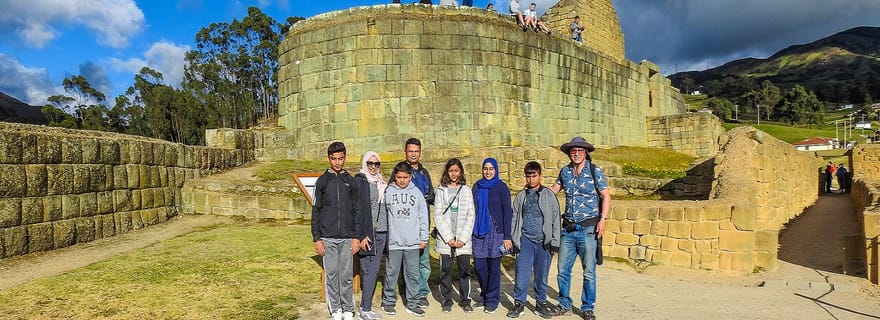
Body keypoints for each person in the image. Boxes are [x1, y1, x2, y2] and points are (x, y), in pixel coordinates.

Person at [549, 137, 611, 320]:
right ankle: (564, 304)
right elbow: (553, 191)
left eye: (580, 151)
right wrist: (535, 192)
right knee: (562, 271)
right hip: (568, 229)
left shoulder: (594, 171)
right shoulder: (565, 172)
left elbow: (606, 196)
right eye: (573, 150)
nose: (576, 153)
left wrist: (603, 220)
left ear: (586, 153)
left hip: (588, 228)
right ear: (569, 153)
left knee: (589, 271)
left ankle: (587, 307)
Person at [312, 142, 368, 320]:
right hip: (327, 237)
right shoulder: (322, 181)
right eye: (334, 159)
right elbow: (316, 210)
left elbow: (357, 211)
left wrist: (356, 237)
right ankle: (335, 309)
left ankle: (348, 309)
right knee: (332, 274)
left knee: (346, 276)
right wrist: (317, 238)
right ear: (329, 158)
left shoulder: (350, 181)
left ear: (345, 158)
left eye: (340, 158)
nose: (337, 162)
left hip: (347, 237)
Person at [506, 161, 560, 319]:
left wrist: (555, 242)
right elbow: (515, 218)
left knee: (541, 275)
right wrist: (515, 241)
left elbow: (556, 219)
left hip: (544, 242)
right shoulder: (521, 196)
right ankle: (519, 304)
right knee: (522, 274)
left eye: (534, 176)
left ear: (540, 176)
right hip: (525, 241)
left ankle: (540, 303)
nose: (531, 179)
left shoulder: (549, 195)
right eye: (528, 176)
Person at [382, 161, 430, 317]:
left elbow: (423, 217)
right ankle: (388, 301)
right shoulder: (388, 192)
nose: (402, 180)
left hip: (412, 242)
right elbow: (384, 217)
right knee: (391, 273)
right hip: (394, 242)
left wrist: (424, 237)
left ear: (410, 177)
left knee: (413, 274)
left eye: (405, 177)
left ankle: (413, 303)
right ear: (394, 177)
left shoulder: (417, 193)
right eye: (399, 177)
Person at [434, 158, 476, 313]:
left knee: (465, 270)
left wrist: (462, 239)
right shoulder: (441, 190)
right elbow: (438, 215)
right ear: (447, 172)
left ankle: (465, 300)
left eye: (456, 171)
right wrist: (448, 238)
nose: (453, 174)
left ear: (460, 172)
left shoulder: (466, 190)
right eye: (451, 171)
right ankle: (447, 299)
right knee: (445, 270)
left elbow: (471, 215)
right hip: (446, 239)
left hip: (462, 240)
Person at [471, 158, 513, 314]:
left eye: (491, 169)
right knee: (480, 267)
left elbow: (507, 213)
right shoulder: (476, 186)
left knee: (494, 268)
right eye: (485, 169)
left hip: (496, 232)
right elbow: (471, 208)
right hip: (479, 232)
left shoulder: (501, 187)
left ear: (496, 170)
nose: (488, 172)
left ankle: (492, 300)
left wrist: (507, 236)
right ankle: (484, 295)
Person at [355, 151, 388, 320]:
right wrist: (362, 234)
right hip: (368, 233)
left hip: (381, 231)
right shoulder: (360, 182)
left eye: (376, 164)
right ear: (364, 164)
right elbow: (357, 211)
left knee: (372, 269)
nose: (373, 167)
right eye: (370, 163)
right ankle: (364, 308)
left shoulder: (381, 182)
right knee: (370, 269)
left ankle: (365, 307)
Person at [404, 137, 435, 307]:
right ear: (406, 152)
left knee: (423, 261)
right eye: (411, 151)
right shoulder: (400, 171)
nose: (414, 154)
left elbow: (431, 194)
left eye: (416, 151)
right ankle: (410, 291)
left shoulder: (424, 173)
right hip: (407, 224)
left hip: (423, 223)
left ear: (420, 152)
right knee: (409, 261)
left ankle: (422, 292)